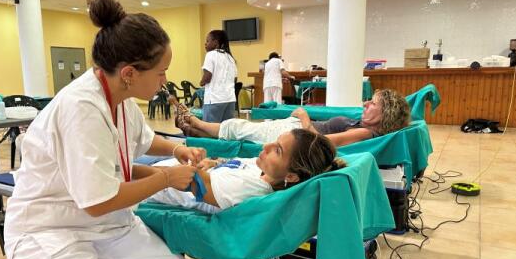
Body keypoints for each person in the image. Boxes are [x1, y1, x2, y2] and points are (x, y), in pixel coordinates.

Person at [4, 0, 206, 259]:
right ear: (130, 72)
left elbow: (142, 141)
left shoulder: (122, 95)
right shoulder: (81, 108)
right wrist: (165, 177)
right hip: (49, 233)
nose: (166, 82)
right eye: (161, 72)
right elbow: (98, 201)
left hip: (106, 225)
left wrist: (178, 148)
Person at [148, 129, 345, 213]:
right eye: (275, 141)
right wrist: (213, 163)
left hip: (152, 187)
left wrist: (131, 172)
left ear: (291, 176)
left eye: (278, 150)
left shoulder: (249, 189)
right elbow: (231, 163)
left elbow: (191, 181)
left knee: (126, 150)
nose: (266, 146)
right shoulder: (261, 169)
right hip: (164, 167)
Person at [172, 89, 410, 148]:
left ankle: (193, 121)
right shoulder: (364, 125)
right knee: (243, 130)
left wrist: (305, 117)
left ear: (385, 114)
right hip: (296, 129)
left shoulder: (367, 133)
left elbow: (324, 143)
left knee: (238, 127)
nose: (366, 103)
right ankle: (192, 129)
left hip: (300, 136)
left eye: (373, 103)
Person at [200, 30, 237, 122]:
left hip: (214, 100)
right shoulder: (230, 58)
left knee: (209, 131)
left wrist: (201, 82)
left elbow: (207, 77)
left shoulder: (210, 55)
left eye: (208, 41)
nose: (205, 44)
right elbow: (235, 79)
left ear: (216, 43)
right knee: (225, 131)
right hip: (230, 100)